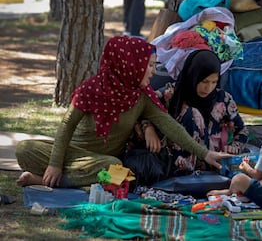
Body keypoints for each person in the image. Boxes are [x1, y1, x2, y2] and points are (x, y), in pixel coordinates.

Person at [15, 36, 233, 188]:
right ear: (129, 65)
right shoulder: (91, 89)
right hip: (73, 155)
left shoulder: (141, 95)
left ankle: (45, 180)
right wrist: (55, 163)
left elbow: (170, 125)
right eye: (148, 66)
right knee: (24, 149)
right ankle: (61, 176)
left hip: (103, 161)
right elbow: (66, 126)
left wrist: (205, 153)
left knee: (115, 168)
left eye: (154, 65)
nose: (153, 71)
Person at [133, 49, 249, 173]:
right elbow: (144, 108)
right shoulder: (172, 94)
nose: (208, 88)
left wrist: (234, 147)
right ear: (193, 75)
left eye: (213, 82)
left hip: (213, 165)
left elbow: (242, 130)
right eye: (204, 81)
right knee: (192, 114)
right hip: (174, 165)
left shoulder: (223, 99)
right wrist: (148, 127)